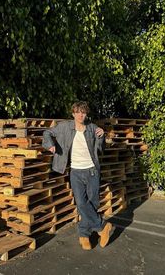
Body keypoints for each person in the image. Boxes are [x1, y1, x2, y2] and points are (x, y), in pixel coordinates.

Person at [42, 101, 112, 250]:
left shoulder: (92, 128)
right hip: (75, 172)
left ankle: (84, 235)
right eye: (78, 112)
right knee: (81, 203)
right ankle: (102, 227)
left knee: (92, 203)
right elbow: (47, 132)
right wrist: (50, 145)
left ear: (86, 114)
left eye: (83, 112)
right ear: (73, 113)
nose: (81, 115)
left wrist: (101, 136)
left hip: (92, 170)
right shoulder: (64, 127)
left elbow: (100, 149)